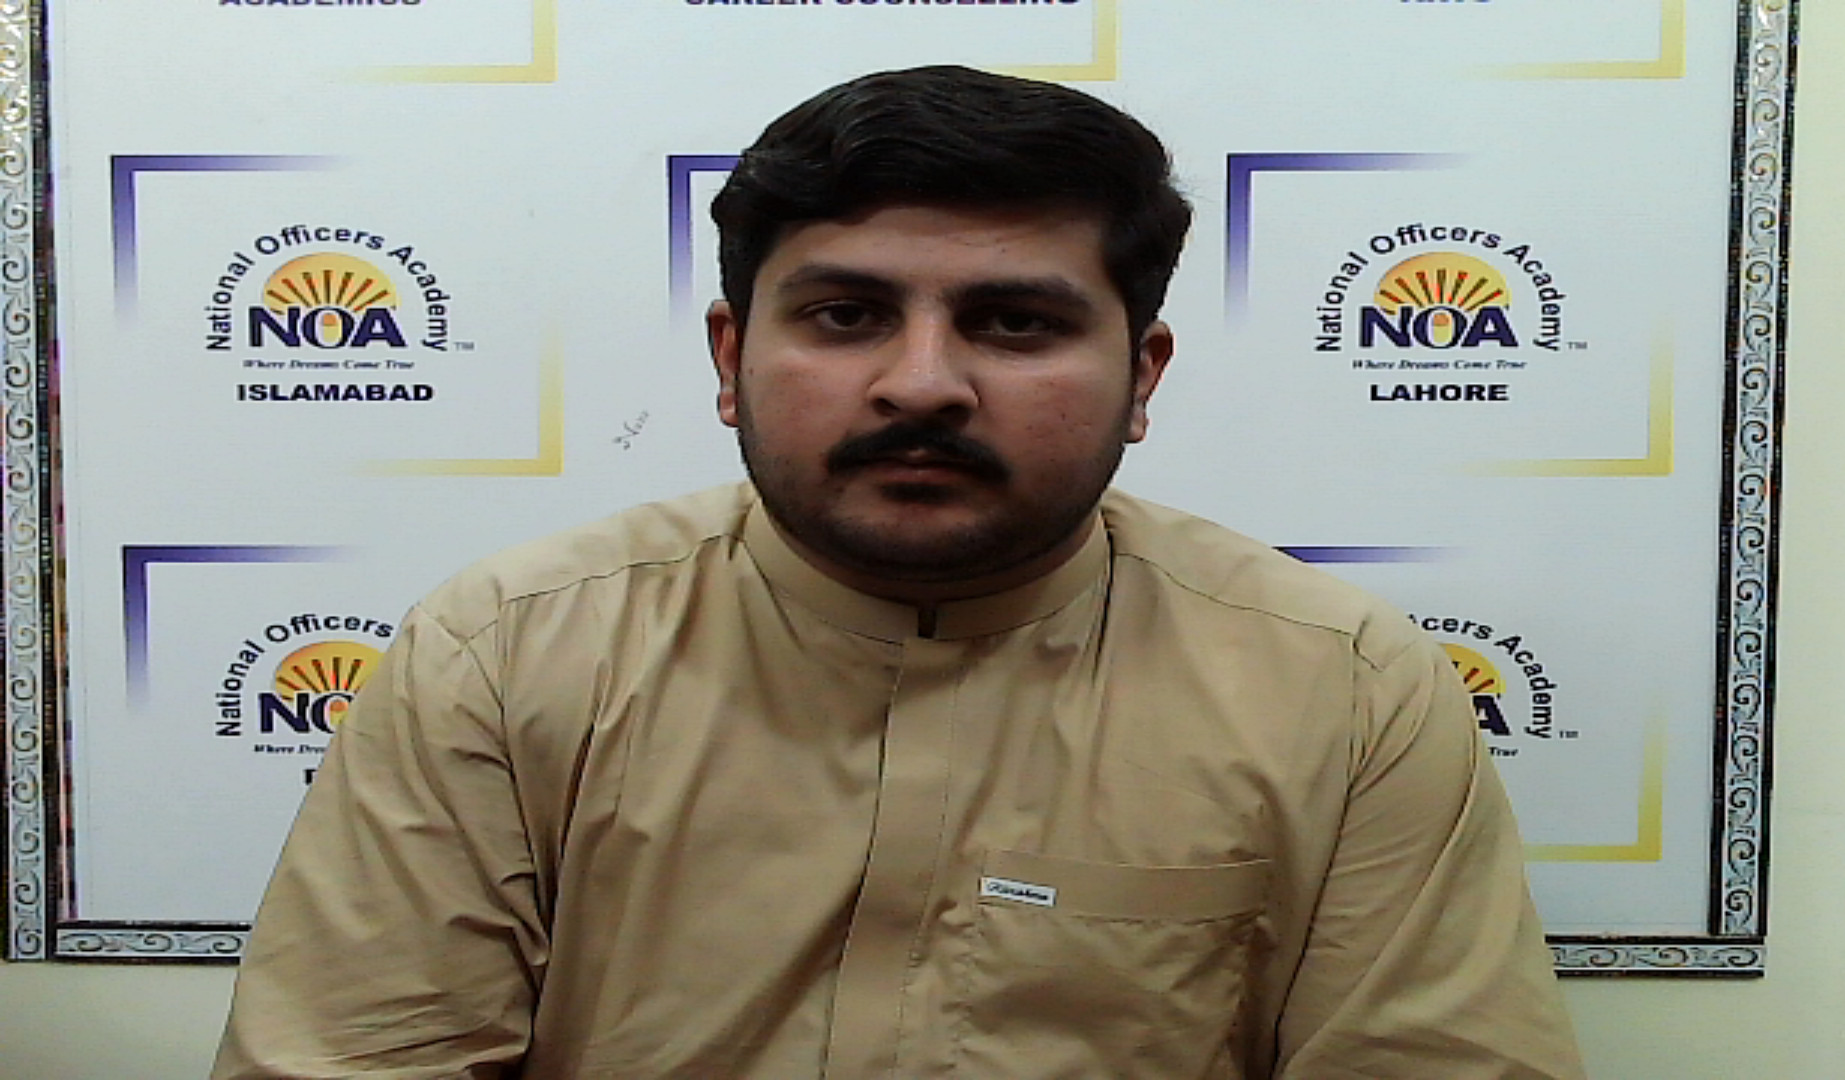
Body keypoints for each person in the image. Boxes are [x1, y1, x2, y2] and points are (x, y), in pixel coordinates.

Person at [213, 65, 1586, 1079]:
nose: (922, 384)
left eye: (1015, 322)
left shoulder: (1342, 690)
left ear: (1142, 375)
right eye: (846, 314)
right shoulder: (506, 653)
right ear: (731, 359)